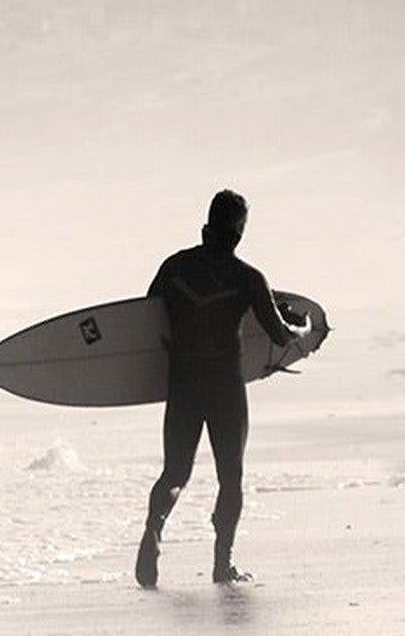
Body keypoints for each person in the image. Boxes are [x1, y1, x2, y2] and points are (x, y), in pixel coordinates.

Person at [135, 189, 319, 588]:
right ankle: (223, 565)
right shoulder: (247, 278)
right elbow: (279, 334)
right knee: (230, 476)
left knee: (175, 472)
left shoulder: (174, 267)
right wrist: (302, 325)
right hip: (224, 388)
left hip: (183, 382)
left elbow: (146, 321)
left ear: (205, 227)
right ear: (238, 236)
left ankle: (152, 537)